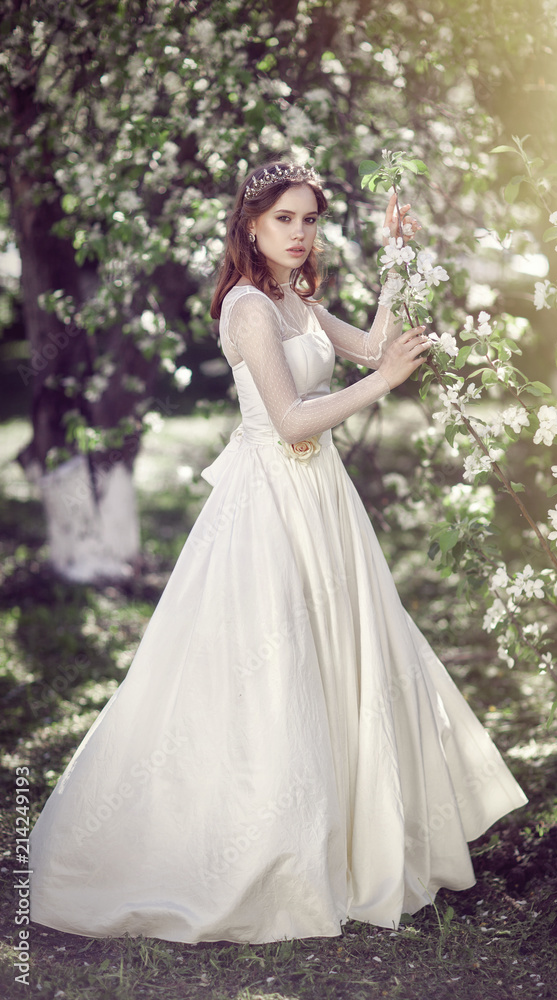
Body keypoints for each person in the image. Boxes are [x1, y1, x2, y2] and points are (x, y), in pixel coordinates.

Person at [29, 161, 526, 945]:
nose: (299, 234)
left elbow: (367, 349)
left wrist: (395, 261)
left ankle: (352, 844)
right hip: (270, 504)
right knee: (273, 667)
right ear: (251, 225)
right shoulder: (247, 308)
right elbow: (293, 419)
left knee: (343, 654)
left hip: (323, 500)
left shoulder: (295, 298)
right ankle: (261, 856)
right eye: (285, 219)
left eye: (310, 221)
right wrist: (388, 383)